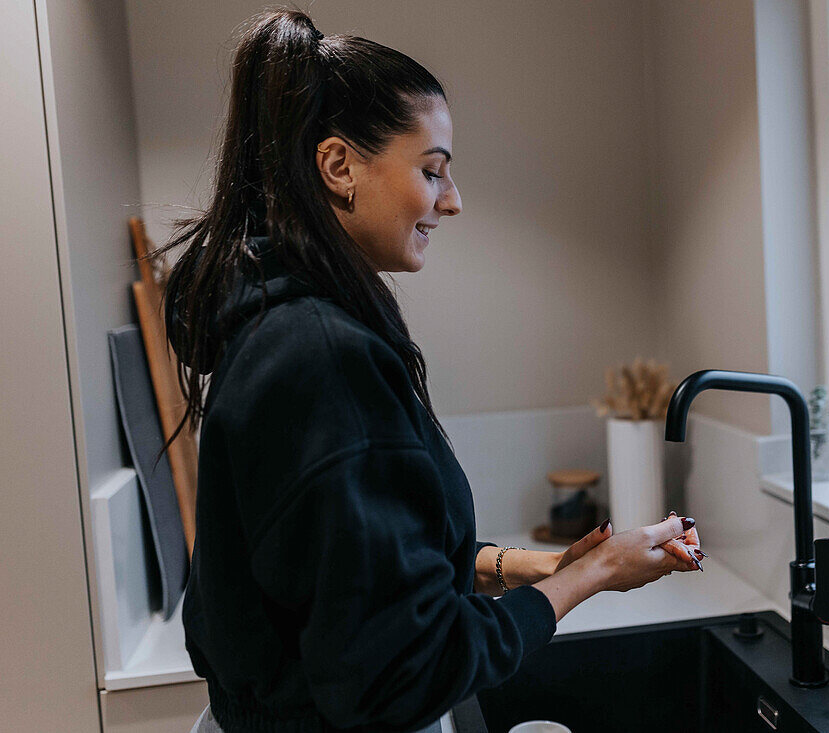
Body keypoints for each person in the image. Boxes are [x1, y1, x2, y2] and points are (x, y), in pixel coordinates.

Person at [160, 9, 702, 733]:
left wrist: (541, 565)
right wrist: (590, 576)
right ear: (339, 166)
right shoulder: (323, 358)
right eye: (432, 170)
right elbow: (402, 672)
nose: (452, 200)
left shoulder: (274, 326)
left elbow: (368, 570)